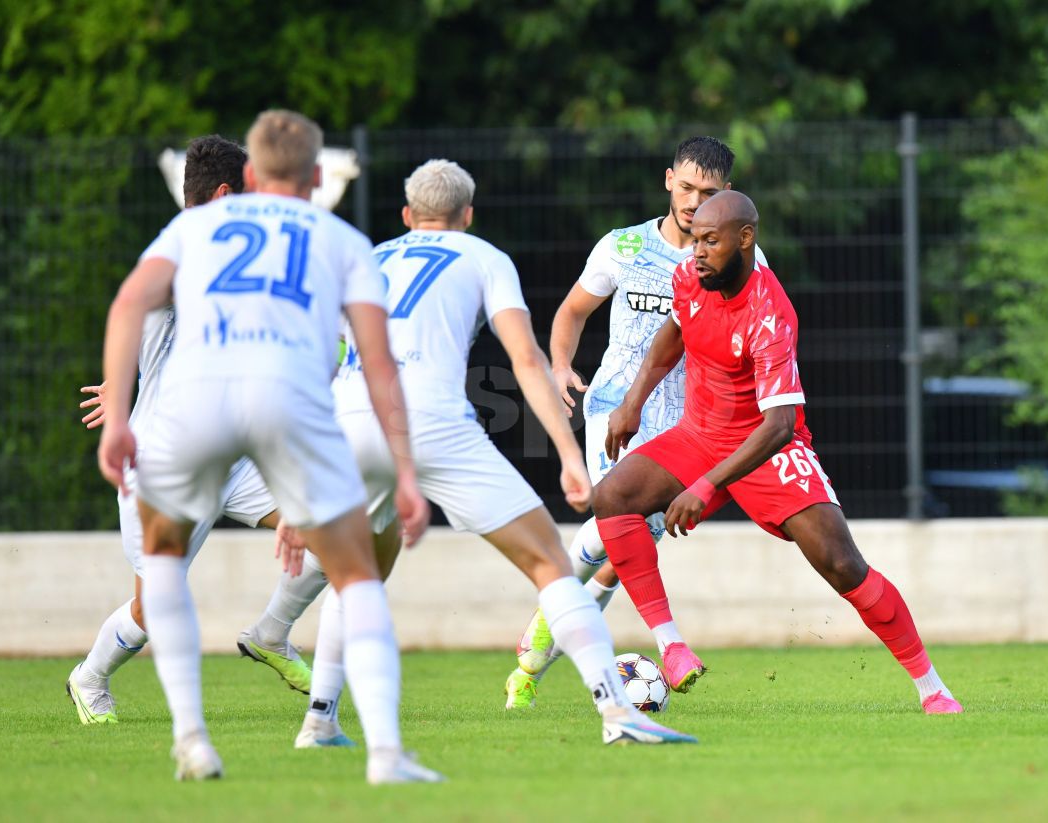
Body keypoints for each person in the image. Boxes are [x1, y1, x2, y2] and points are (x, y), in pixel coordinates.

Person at [288, 158, 697, 748]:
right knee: (551, 566)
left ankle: (320, 721)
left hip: (351, 422)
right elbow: (527, 359)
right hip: (430, 421)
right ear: (469, 216)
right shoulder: (483, 258)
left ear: (407, 215)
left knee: (356, 575)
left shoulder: (365, 258)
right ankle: (618, 713)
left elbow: (321, 356)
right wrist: (567, 453)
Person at [96, 109, 442, 783]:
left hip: (194, 403)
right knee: (356, 569)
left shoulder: (194, 225)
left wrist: (116, 417)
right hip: (285, 403)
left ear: (251, 174)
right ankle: (384, 753)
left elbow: (129, 302)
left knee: (162, 564)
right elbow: (375, 361)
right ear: (317, 176)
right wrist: (401, 466)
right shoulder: (340, 239)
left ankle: (192, 738)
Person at [592, 190, 963, 715]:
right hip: (699, 434)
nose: (696, 252)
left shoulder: (771, 312)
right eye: (695, 240)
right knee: (613, 497)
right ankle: (671, 645)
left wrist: (704, 486)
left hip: (765, 448)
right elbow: (672, 336)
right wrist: (633, 402)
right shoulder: (690, 279)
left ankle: (934, 689)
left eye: (711, 241)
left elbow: (781, 425)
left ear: (745, 240)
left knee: (841, 564)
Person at [67, 135, 327, 726]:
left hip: (234, 457)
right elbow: (128, 311)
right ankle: (89, 677)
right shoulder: (174, 252)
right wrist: (121, 388)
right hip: (164, 458)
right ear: (227, 193)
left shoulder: (241, 251)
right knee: (153, 606)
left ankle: (272, 633)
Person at [503, 137, 765, 707]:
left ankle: (534, 657)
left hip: (687, 425)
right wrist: (561, 363)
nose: (697, 202)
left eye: (711, 193)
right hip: (616, 411)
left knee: (626, 553)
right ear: (668, 179)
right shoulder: (623, 246)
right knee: (609, 525)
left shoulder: (740, 259)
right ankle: (549, 626)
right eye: (689, 187)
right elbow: (573, 311)